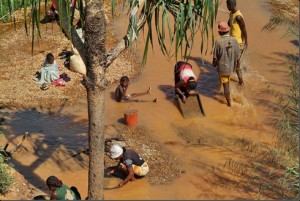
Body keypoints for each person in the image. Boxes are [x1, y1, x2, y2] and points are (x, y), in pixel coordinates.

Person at [212, 21, 240, 107]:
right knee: (228, 82)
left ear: (220, 32)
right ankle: (232, 96)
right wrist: (237, 65)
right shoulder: (234, 40)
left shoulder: (218, 42)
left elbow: (215, 57)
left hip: (223, 68)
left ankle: (229, 104)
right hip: (232, 67)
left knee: (226, 86)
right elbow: (238, 55)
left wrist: (214, 64)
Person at [226, 0, 248, 86]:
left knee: (237, 64)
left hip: (237, 43)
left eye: (227, 5)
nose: (227, 7)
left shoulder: (238, 17)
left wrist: (246, 43)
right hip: (232, 41)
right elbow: (229, 23)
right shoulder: (231, 13)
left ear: (231, 5)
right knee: (233, 61)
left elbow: (244, 29)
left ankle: (241, 82)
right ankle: (239, 76)